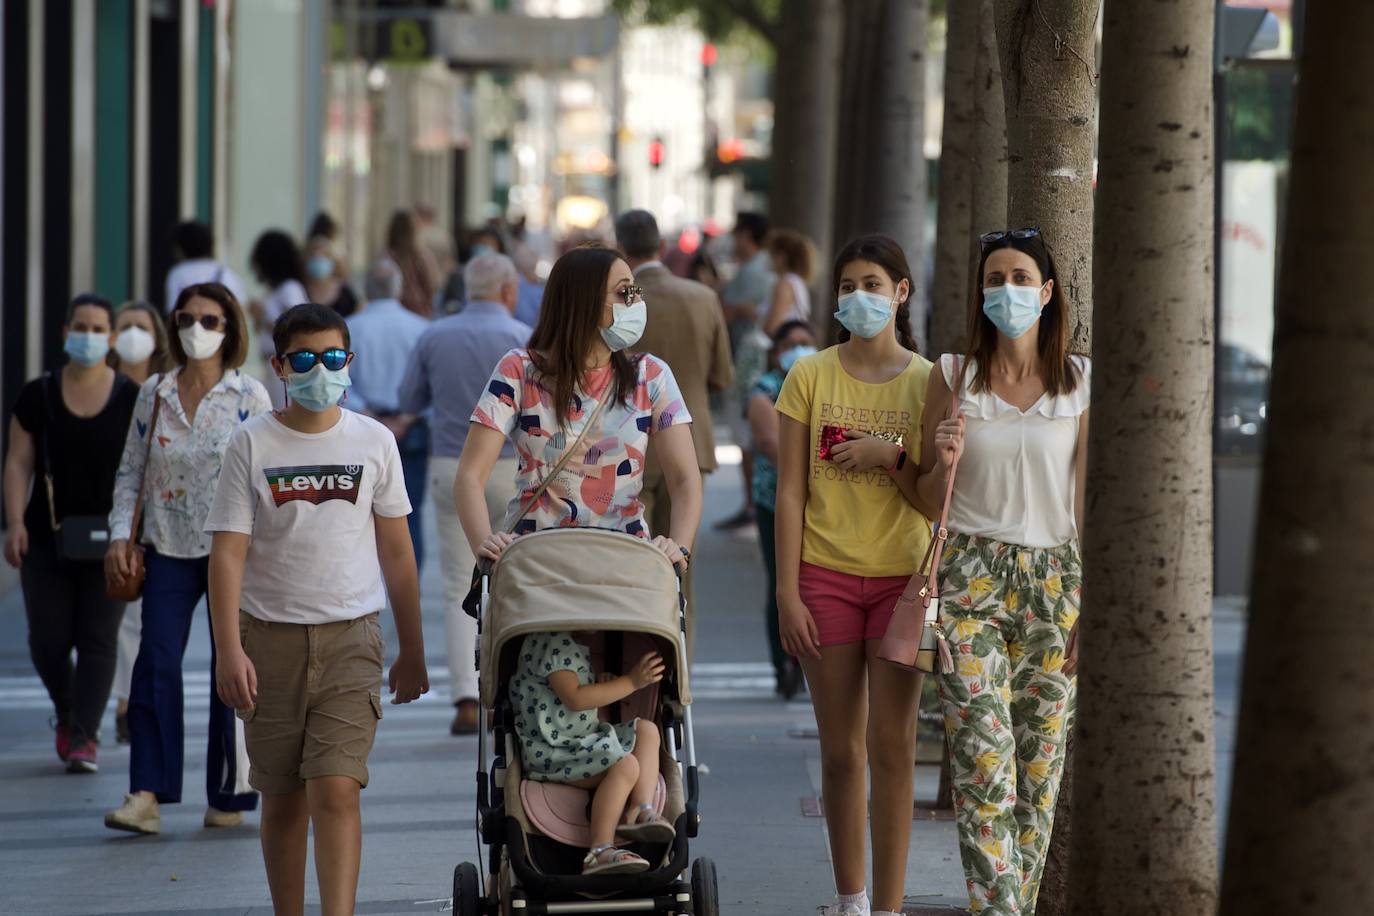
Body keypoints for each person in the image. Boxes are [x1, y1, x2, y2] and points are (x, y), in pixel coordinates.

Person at [206, 303, 429, 916]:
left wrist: (413, 649)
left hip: (352, 641)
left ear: (349, 362)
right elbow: (227, 554)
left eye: (332, 358)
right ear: (279, 366)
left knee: (336, 788)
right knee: (283, 801)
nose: (319, 371)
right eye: (303, 359)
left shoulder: (374, 441)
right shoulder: (251, 443)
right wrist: (228, 650)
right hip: (268, 643)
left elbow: (398, 553)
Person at [912, 228, 1086, 916]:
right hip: (970, 581)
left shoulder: (1080, 383)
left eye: (1019, 278)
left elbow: (1088, 502)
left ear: (1046, 293)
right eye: (993, 279)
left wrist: (1092, 605)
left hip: (1057, 583)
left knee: (1038, 781)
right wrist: (943, 459)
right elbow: (925, 496)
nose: (1006, 290)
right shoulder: (953, 376)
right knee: (985, 772)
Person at [774, 235, 935, 916]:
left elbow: (934, 499)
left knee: (893, 748)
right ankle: (853, 900)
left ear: (901, 293)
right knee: (841, 752)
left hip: (903, 585)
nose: (859, 297)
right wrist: (786, 593)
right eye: (847, 286)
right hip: (824, 579)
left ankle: (890, 908)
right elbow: (789, 492)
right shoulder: (809, 376)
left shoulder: (929, 382)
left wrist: (889, 455)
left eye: (873, 284)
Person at [103, 282, 269, 835]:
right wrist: (119, 536)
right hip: (167, 545)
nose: (197, 329)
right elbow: (131, 471)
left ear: (230, 328)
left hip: (233, 548)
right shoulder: (154, 392)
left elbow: (267, 477)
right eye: (186, 318)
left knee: (232, 663)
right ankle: (146, 793)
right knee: (155, 660)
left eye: (210, 320)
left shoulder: (249, 396)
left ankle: (229, 792)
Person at [455, 243, 701, 615]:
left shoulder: (650, 376)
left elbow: (685, 479)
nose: (636, 302)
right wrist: (484, 546)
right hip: (534, 574)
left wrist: (679, 547)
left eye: (635, 291)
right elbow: (469, 476)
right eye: (624, 292)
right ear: (582, 301)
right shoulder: (519, 371)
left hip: (626, 573)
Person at [3, 294, 140, 773]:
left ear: (112, 338)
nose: (89, 336)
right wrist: (15, 523)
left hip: (112, 538)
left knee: (99, 636)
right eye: (80, 327)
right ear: (65, 333)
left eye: (98, 328)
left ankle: (84, 734)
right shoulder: (38, 394)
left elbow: (143, 469)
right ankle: (67, 711)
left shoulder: (130, 397)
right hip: (47, 537)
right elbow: (18, 462)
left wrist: (136, 532)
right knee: (47, 639)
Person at [397, 252, 531, 736]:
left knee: (460, 582)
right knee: (518, 578)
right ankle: (513, 688)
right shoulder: (523, 338)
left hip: (453, 464)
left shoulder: (436, 335)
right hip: (514, 466)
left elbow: (409, 398)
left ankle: (467, 698)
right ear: (508, 291)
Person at [614, 209, 734, 657]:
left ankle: (633, 665)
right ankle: (680, 667)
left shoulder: (621, 299)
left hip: (628, 446)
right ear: (661, 246)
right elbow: (722, 375)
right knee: (682, 567)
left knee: (628, 567)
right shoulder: (701, 297)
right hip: (692, 444)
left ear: (621, 248)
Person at [510, 632, 673, 875]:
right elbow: (575, 698)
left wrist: (600, 684)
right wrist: (631, 682)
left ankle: (640, 808)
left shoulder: (568, 643)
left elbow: (558, 695)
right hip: (555, 751)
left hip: (582, 740)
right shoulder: (552, 642)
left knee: (647, 731)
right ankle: (599, 851)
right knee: (626, 765)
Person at [107, 302, 174, 744]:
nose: (133, 334)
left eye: (141, 327)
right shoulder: (104, 386)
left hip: (153, 517)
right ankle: (120, 698)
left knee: (134, 615)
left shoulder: (163, 390)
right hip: (107, 511)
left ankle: (128, 701)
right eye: (125, 326)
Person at [345, 259, 433, 569]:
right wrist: (406, 418)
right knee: (410, 513)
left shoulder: (349, 328)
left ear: (365, 288)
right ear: (398, 288)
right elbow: (433, 385)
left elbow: (342, 383)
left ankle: (369, 581)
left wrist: (371, 416)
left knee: (360, 514)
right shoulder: (421, 328)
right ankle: (408, 585)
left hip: (363, 426)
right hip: (412, 428)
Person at [746, 319, 817, 700]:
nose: (799, 349)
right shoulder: (765, 390)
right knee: (783, 583)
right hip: (775, 502)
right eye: (791, 344)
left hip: (820, 505)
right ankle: (784, 667)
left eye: (806, 342)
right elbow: (771, 445)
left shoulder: (822, 382)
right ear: (776, 353)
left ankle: (809, 662)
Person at [716, 212, 775, 531]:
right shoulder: (759, 267)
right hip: (751, 362)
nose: (732, 240)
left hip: (748, 364)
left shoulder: (755, 270)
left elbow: (730, 312)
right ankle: (753, 502)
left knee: (748, 434)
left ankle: (753, 503)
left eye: (736, 234)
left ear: (747, 235)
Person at [249, 229, 309, 409]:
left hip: (285, 366)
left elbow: (296, 329)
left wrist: (263, 317)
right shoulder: (273, 291)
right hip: (271, 364)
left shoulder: (290, 289)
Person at [164, 221, 249, 313]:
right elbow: (240, 308)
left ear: (181, 248)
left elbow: (172, 309)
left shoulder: (178, 273)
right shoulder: (225, 272)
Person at [386, 210, 440, 319]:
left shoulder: (387, 256)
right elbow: (432, 285)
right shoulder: (423, 257)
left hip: (394, 313)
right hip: (419, 312)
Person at [763, 229, 816, 334]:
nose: (768, 259)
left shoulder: (785, 284)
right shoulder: (797, 281)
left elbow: (772, 327)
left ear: (781, 257)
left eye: (771, 254)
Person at [304, 235, 360, 318]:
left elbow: (357, 314)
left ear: (333, 260)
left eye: (324, 255)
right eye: (313, 255)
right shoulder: (299, 289)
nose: (319, 259)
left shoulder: (345, 291)